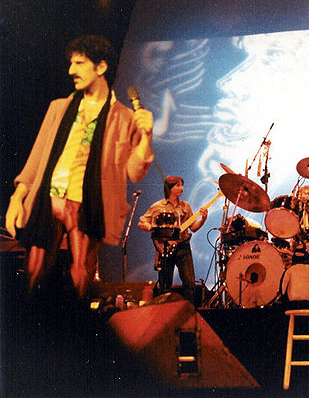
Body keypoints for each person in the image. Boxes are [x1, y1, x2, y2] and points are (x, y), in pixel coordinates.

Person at [5, 35, 154, 299]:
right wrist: (18, 196)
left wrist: (146, 138)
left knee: (80, 273)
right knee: (34, 270)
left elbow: (134, 171)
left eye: (79, 63)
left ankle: (73, 330)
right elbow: (38, 156)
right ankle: (31, 329)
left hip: (87, 204)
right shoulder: (59, 108)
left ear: (101, 67)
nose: (71, 70)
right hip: (49, 198)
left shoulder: (123, 117)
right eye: (71, 63)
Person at [138, 176, 208, 304]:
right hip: (165, 248)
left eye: (182, 185)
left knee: (189, 282)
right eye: (178, 185)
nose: (181, 188)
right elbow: (142, 222)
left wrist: (203, 219)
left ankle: (189, 312)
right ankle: (164, 313)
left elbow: (193, 228)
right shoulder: (157, 206)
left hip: (183, 247)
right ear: (169, 188)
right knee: (165, 284)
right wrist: (154, 229)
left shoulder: (186, 206)